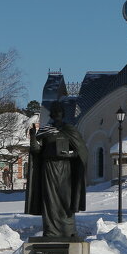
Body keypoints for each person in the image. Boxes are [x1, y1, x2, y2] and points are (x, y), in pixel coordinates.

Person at [25, 101, 88, 238]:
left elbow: (81, 151)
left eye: (59, 111)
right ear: (51, 114)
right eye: (54, 111)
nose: (56, 114)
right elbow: (36, 151)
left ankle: (68, 231)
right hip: (48, 169)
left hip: (66, 169)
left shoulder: (69, 129)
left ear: (63, 113)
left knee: (66, 200)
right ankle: (50, 231)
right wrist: (33, 137)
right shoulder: (45, 130)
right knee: (50, 201)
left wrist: (69, 154)